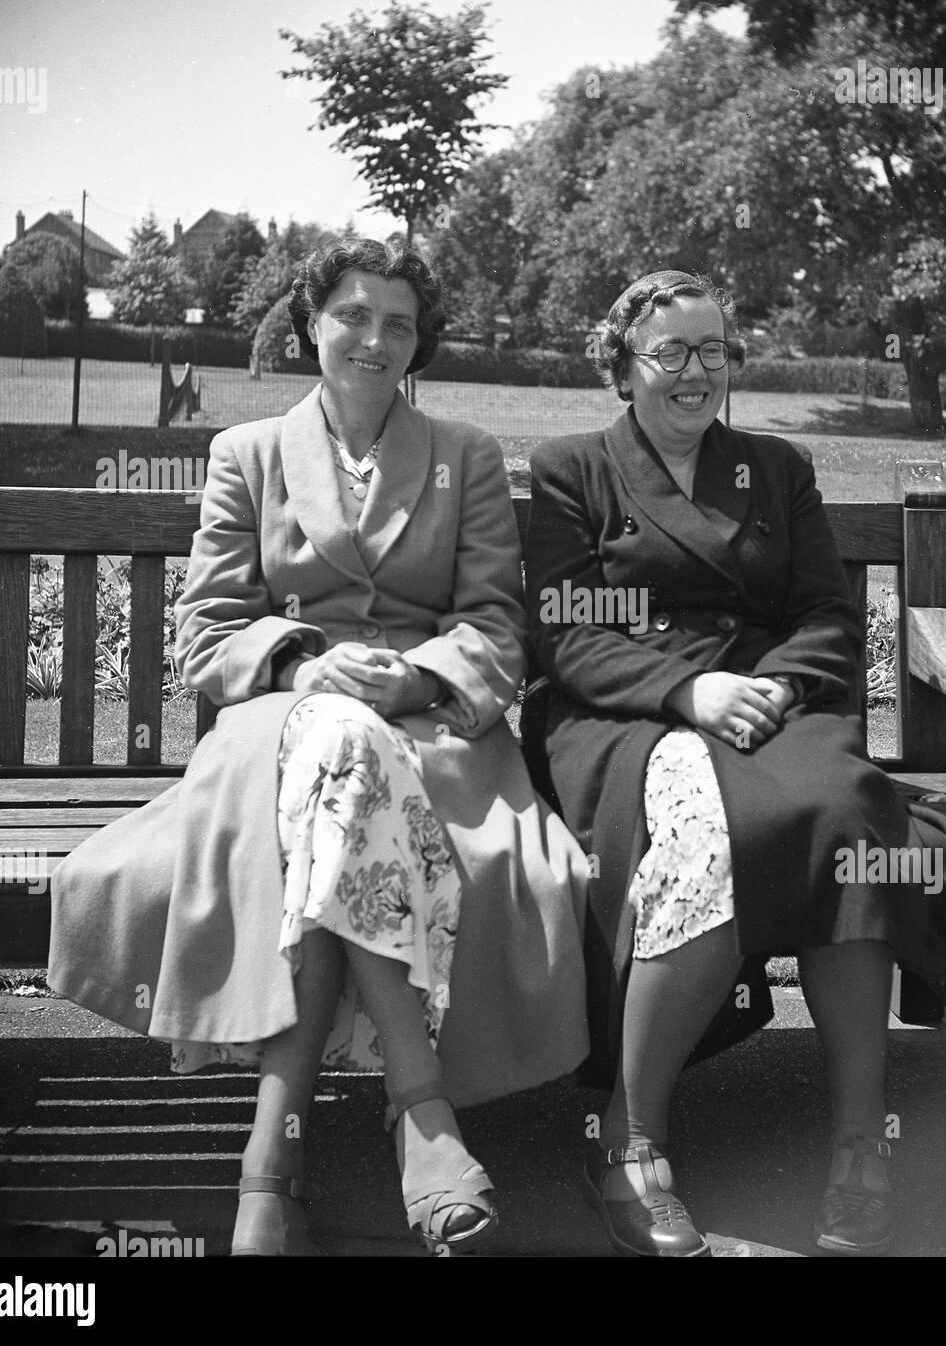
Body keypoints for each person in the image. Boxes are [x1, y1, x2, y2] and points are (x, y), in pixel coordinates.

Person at [49, 238, 588, 1257]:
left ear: (419, 340)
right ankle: (420, 1110)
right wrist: (303, 667)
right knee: (338, 737)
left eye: (397, 321)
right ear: (312, 326)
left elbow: (494, 624)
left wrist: (420, 673)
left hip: (427, 731)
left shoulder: (464, 453)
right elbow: (208, 634)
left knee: (346, 774)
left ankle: (270, 1158)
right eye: (352, 314)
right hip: (278, 728)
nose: (374, 338)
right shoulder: (245, 453)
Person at [523, 269, 946, 1257]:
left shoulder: (774, 468)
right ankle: (631, 1145)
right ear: (622, 364)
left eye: (714, 350)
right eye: (670, 350)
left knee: (847, 813)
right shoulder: (573, 469)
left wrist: (764, 685)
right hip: (625, 715)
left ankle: (860, 1139)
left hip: (772, 704)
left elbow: (824, 612)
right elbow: (563, 631)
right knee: (710, 827)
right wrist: (687, 693)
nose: (696, 371)